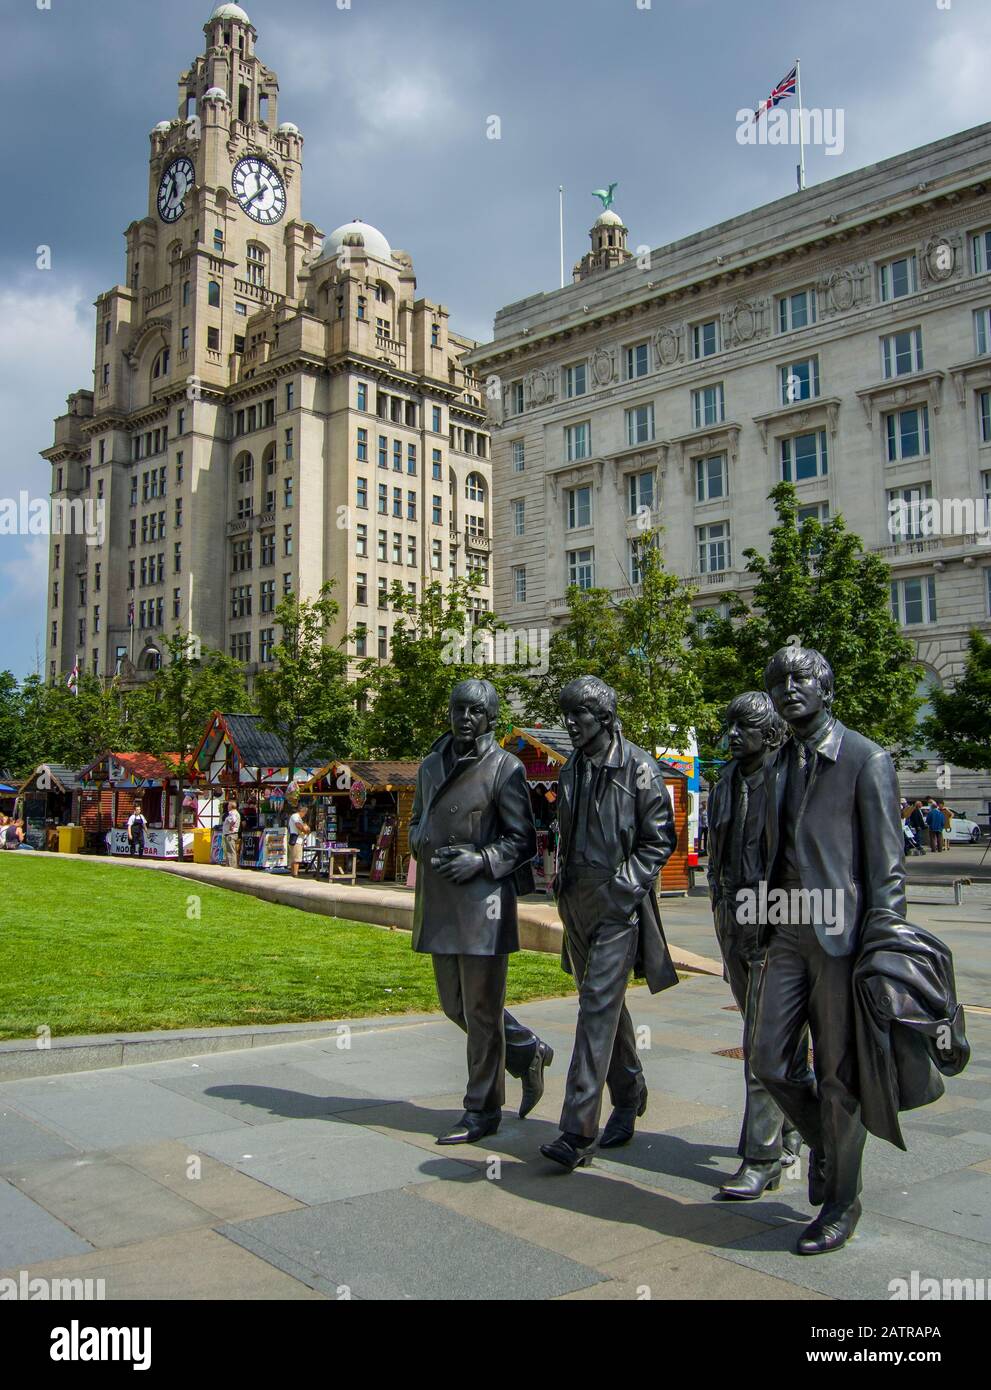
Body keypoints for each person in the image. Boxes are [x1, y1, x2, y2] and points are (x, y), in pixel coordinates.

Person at [752, 645, 906, 1256]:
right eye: (779, 680)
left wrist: (884, 944)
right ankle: (825, 1142)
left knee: (840, 1075)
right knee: (767, 1058)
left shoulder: (866, 760)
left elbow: (888, 869)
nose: (789, 688)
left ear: (826, 689)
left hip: (841, 934)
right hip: (784, 927)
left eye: (802, 678)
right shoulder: (779, 760)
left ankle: (843, 1199)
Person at [540, 675, 678, 1172]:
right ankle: (629, 1088)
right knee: (600, 1002)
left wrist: (624, 887)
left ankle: (577, 1129)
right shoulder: (571, 768)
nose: (572, 723)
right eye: (567, 715)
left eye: (580, 714)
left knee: (596, 1006)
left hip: (616, 902)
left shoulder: (638, 767)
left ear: (605, 716)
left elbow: (661, 838)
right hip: (575, 898)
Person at [409, 678, 554, 1144]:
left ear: (491, 717)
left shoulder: (504, 768)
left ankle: (482, 1109)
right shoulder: (431, 765)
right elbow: (417, 819)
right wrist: (418, 840)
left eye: (475, 711)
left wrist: (482, 859)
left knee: (482, 1012)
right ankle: (528, 1050)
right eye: (458, 710)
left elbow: (522, 839)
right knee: (456, 1006)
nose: (465, 719)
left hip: (483, 905)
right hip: (439, 901)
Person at [707, 692, 808, 1200]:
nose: (730, 735)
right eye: (730, 725)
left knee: (762, 1043)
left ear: (770, 735)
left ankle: (761, 1156)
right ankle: (793, 1129)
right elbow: (718, 851)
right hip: (734, 919)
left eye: (741, 727)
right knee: (770, 1036)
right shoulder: (725, 780)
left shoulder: (794, 777)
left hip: (777, 920)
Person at [288, 806, 310, 878]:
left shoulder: (298, 818)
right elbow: (298, 825)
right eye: (305, 813)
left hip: (297, 840)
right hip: (297, 840)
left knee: (294, 858)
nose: (304, 815)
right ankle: (295, 874)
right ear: (302, 812)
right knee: (296, 859)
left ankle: (293, 873)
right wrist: (305, 830)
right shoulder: (295, 816)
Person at [222, 800, 241, 868]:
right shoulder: (234, 813)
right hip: (231, 834)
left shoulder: (233, 813)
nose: (227, 806)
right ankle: (230, 865)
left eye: (228, 805)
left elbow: (233, 820)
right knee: (230, 851)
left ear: (231, 806)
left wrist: (230, 826)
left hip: (230, 834)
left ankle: (232, 866)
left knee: (231, 851)